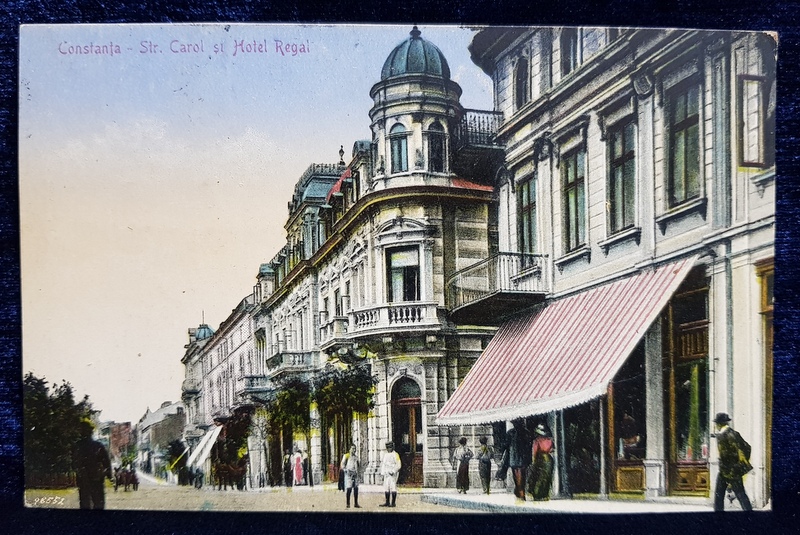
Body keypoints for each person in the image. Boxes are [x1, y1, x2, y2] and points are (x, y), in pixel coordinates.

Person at [713, 412, 753, 511]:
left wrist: (735, 466)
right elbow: (747, 447)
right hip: (729, 470)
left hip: (730, 471)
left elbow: (734, 453)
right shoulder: (733, 433)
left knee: (721, 496)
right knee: (739, 495)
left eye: (716, 424)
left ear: (719, 424)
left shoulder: (725, 435)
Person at [72, 420, 112, 510]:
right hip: (95, 478)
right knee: (98, 503)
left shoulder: (77, 446)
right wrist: (108, 474)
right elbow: (106, 462)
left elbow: (74, 463)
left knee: (85, 502)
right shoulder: (98, 445)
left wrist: (79, 472)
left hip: (85, 478)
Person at [496, 420, 530, 500]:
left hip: (514, 458)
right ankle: (521, 493)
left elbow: (504, 445)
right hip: (523, 458)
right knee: (523, 476)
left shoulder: (510, 433)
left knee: (517, 476)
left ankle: (520, 493)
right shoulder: (526, 432)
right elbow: (529, 445)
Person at [527, 423, 554, 501]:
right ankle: (545, 495)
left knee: (538, 478)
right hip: (549, 459)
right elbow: (552, 450)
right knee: (547, 478)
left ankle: (537, 495)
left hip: (540, 459)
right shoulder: (550, 440)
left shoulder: (537, 440)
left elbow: (534, 452)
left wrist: (533, 462)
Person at [379, 441, 401, 507]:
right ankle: (387, 502)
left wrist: (393, 471)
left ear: (392, 447)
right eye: (387, 447)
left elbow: (398, 465)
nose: (389, 449)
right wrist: (382, 473)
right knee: (386, 488)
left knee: (393, 487)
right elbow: (383, 464)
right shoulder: (385, 455)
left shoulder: (395, 454)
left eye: (390, 447)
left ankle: (393, 503)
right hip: (386, 474)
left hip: (392, 474)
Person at [340, 444, 361, 509]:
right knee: (349, 489)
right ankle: (348, 503)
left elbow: (358, 466)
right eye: (352, 449)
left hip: (355, 475)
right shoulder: (346, 456)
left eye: (355, 449)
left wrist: (357, 473)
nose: (354, 450)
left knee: (356, 488)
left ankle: (356, 503)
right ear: (349, 449)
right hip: (348, 475)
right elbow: (342, 465)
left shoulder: (356, 457)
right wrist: (346, 470)